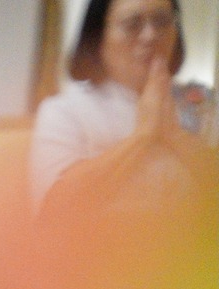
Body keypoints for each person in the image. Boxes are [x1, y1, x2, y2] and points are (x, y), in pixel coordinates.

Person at [31, 0, 217, 214]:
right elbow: (52, 210)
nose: (150, 36)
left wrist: (175, 135)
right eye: (132, 24)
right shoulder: (64, 111)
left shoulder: (202, 103)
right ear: (98, 35)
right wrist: (142, 136)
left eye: (162, 21)